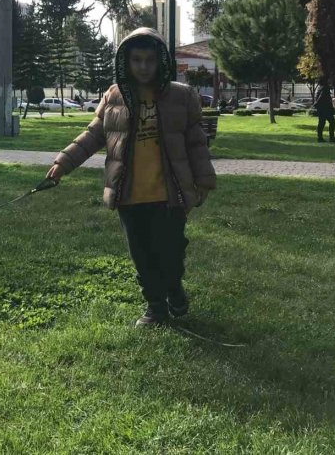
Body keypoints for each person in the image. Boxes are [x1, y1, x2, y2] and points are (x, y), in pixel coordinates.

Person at [46, 28, 217, 328]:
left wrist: (203, 181)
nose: (142, 66)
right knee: (142, 256)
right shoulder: (115, 96)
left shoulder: (181, 96)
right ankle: (156, 308)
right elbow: (92, 135)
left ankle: (174, 288)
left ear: (161, 61)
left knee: (171, 253)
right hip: (129, 195)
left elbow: (196, 142)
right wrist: (63, 163)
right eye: (136, 60)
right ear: (125, 62)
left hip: (170, 194)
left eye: (149, 60)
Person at [314, 76, 335, 143]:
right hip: (325, 108)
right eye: (328, 80)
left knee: (322, 122)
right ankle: (330, 137)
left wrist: (316, 103)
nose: (330, 81)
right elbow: (321, 96)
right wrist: (317, 103)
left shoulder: (320, 87)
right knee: (331, 121)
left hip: (321, 108)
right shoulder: (325, 88)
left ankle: (320, 137)